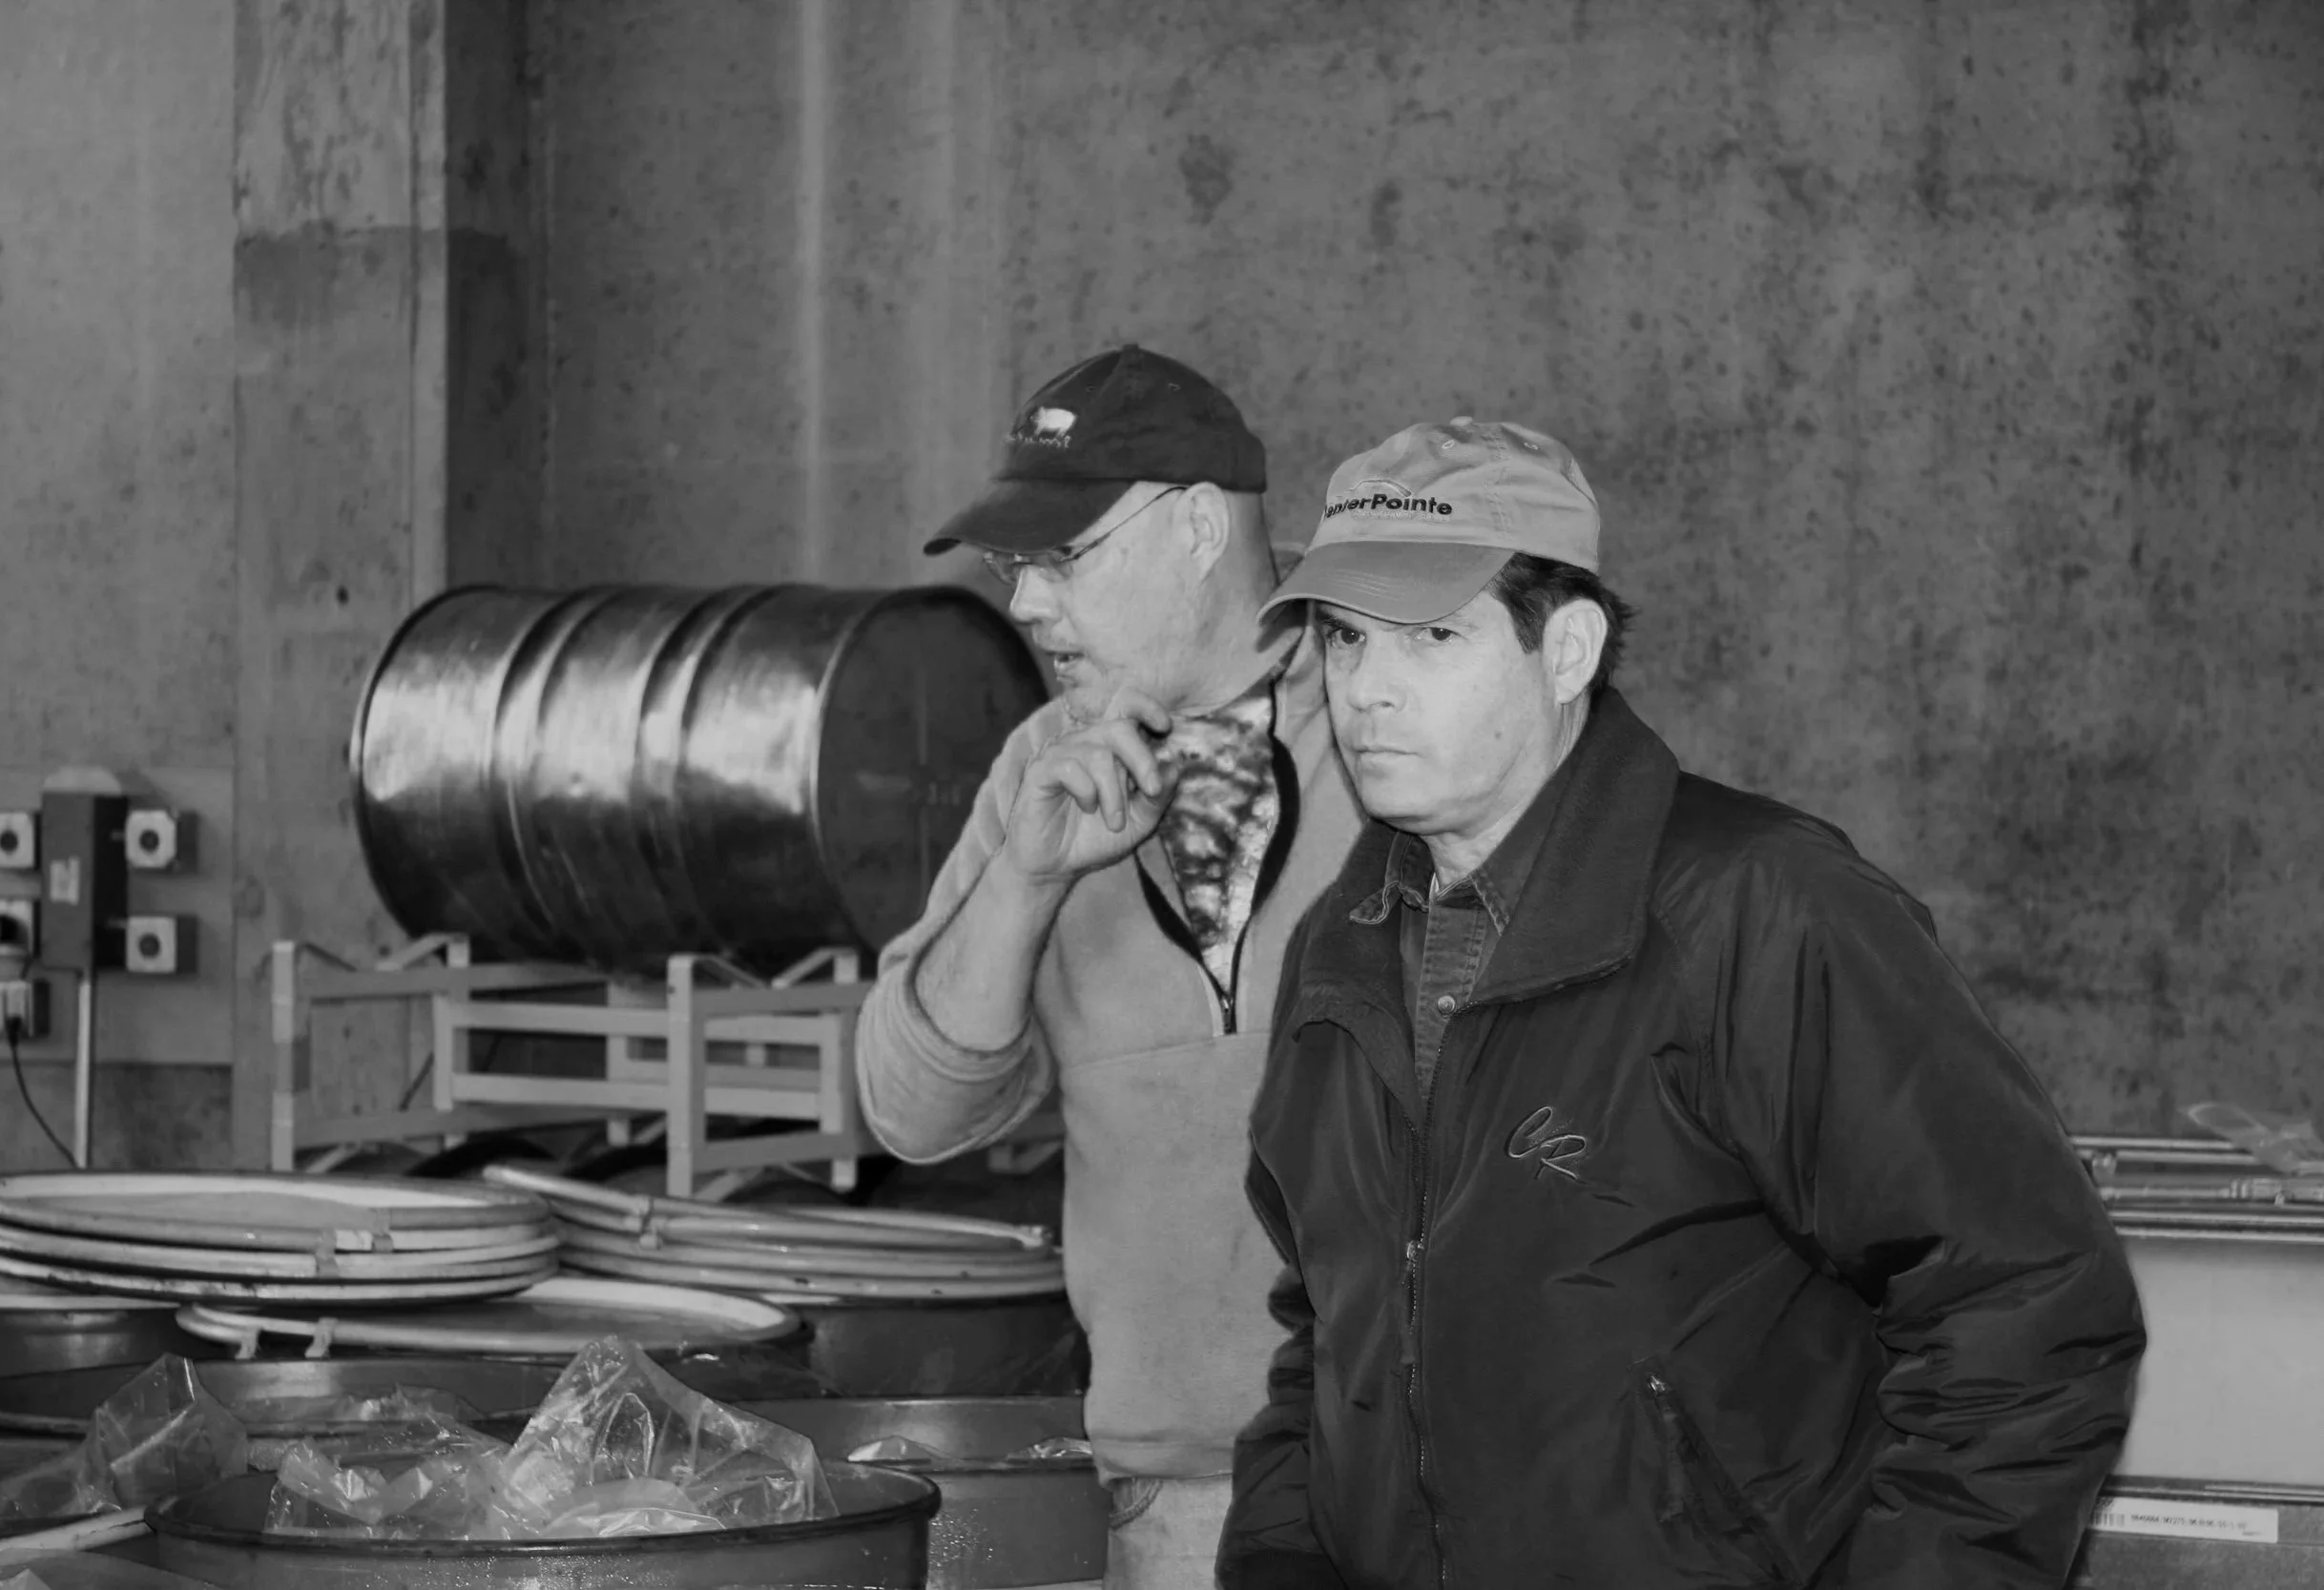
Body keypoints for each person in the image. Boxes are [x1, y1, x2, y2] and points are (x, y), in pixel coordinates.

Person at [1216, 418, 2146, 1589]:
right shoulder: (1340, 946)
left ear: (1565, 650)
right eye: (1344, 638)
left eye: (1431, 637)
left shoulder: (1762, 912)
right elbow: (1330, 1331)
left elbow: (2028, 1304)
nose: (1367, 691)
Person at [855, 345, 1363, 1589]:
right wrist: (1025, 880)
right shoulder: (1043, 764)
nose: (1025, 605)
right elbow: (911, 1113)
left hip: (1421, 1457)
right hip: (1175, 1484)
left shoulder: (1395, 709)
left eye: (1061, 558)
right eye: (1011, 566)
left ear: (1197, 525)